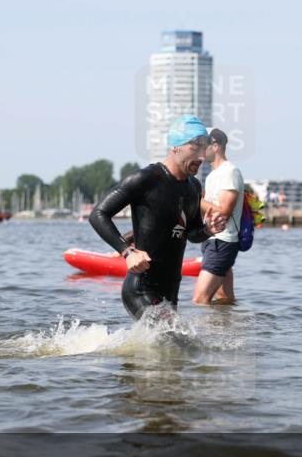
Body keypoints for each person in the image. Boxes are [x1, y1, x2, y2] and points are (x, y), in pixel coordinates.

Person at [89, 115, 226, 319]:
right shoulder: (146, 179)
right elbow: (98, 214)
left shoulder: (194, 187)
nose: (201, 155)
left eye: (204, 148)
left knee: (173, 347)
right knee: (173, 342)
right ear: (175, 147)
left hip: (171, 289)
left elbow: (191, 235)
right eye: (195, 147)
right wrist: (127, 252)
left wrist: (208, 230)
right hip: (140, 287)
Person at [192, 129, 244, 305]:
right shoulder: (213, 175)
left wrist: (195, 199)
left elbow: (223, 212)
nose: (199, 151)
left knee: (200, 299)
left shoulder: (229, 172)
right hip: (211, 240)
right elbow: (206, 210)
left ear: (215, 146)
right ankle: (226, 332)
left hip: (222, 242)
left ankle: (204, 333)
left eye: (202, 146)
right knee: (225, 299)